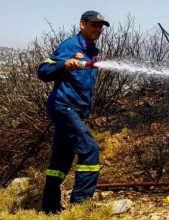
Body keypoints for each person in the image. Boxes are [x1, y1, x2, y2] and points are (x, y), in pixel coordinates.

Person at [37, 10, 110, 214]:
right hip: (63, 107)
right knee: (89, 149)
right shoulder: (70, 46)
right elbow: (42, 71)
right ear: (82, 24)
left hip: (74, 111)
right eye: (94, 25)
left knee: (61, 159)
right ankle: (80, 206)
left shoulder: (92, 50)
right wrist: (63, 65)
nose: (98, 29)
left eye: (101, 27)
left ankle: (50, 208)